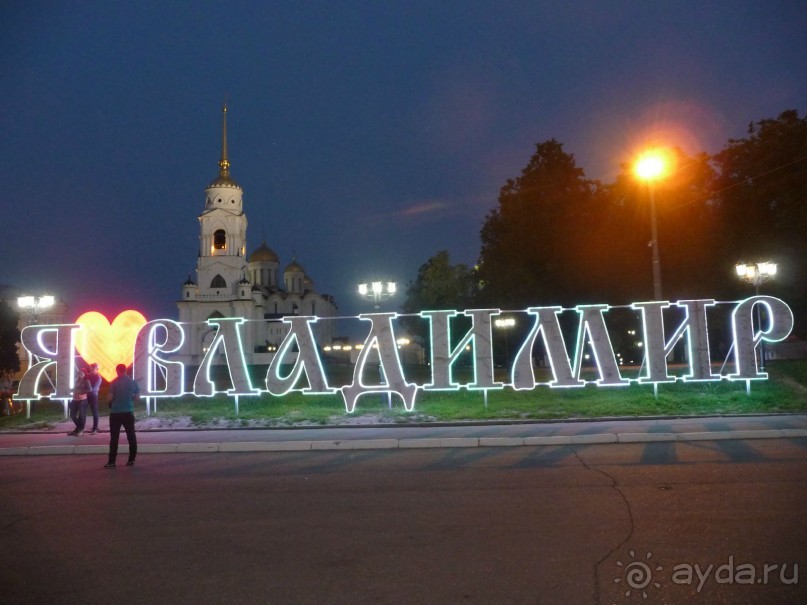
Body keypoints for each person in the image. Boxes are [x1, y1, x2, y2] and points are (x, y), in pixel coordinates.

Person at [105, 363, 140, 469]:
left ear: (117, 371)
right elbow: (137, 397)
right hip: (128, 411)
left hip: (115, 413)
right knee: (131, 436)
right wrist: (130, 398)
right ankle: (131, 459)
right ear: (126, 370)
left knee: (114, 438)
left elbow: (109, 398)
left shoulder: (114, 383)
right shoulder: (133, 383)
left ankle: (112, 461)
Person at [68, 368, 92, 436]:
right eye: (79, 373)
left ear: (84, 374)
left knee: (82, 416)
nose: (80, 375)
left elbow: (90, 389)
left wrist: (81, 392)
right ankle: (79, 428)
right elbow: (75, 388)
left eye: (81, 373)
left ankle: (80, 430)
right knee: (72, 415)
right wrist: (71, 390)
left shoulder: (86, 381)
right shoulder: (76, 380)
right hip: (75, 399)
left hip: (82, 400)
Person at [86, 363, 102, 434]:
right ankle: (80, 427)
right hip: (86, 396)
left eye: (93, 368)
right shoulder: (88, 376)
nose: (91, 369)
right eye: (90, 368)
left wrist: (85, 390)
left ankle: (95, 428)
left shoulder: (98, 377)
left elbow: (94, 388)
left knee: (94, 411)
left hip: (93, 396)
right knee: (83, 411)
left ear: (97, 369)